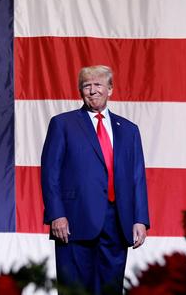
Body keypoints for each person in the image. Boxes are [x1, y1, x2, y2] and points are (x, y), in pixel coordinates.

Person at [41, 65, 150, 294]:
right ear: (81, 91)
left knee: (111, 288)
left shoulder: (129, 130)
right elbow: (50, 174)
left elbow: (137, 177)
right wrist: (56, 214)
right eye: (86, 86)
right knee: (75, 289)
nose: (92, 91)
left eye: (98, 85)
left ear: (110, 89)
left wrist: (140, 219)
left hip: (117, 222)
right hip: (73, 220)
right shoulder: (63, 124)